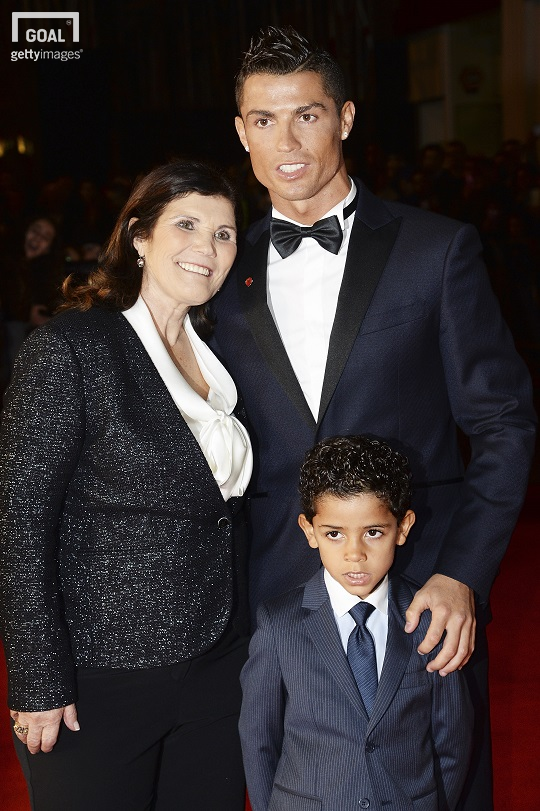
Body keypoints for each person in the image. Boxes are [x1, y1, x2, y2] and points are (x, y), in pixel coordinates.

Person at [209, 26, 537, 810]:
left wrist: (462, 573)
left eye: (308, 115)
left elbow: (504, 421)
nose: (287, 142)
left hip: (425, 590)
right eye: (265, 120)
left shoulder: (437, 250)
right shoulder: (220, 273)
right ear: (241, 131)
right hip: (282, 600)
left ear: (346, 118)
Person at [0, 159, 253, 811]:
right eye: (187, 225)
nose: (207, 247)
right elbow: (20, 526)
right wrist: (37, 678)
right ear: (138, 235)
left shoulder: (224, 353)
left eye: (224, 234)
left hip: (217, 666)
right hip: (99, 676)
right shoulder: (72, 347)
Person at [240, 435, 473, 811]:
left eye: (373, 532)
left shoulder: (429, 623)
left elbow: (452, 740)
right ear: (310, 531)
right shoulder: (278, 625)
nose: (355, 554)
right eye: (334, 534)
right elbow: (258, 739)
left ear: (403, 527)